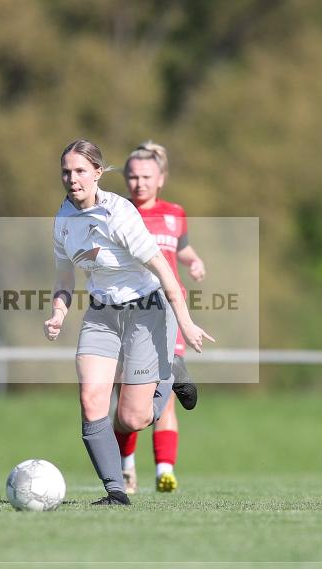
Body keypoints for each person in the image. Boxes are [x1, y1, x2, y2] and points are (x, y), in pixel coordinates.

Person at [44, 139, 214, 506]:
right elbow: (63, 279)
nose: (72, 179)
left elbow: (163, 269)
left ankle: (172, 371)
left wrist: (185, 322)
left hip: (147, 309)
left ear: (98, 174)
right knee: (91, 400)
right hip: (102, 314)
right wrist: (58, 313)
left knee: (134, 417)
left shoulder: (119, 213)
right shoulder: (63, 218)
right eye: (66, 171)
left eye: (80, 171)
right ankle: (115, 491)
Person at [115, 141, 207, 494]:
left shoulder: (175, 213)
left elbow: (180, 248)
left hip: (169, 307)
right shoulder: (117, 211)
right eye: (133, 176)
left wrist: (193, 261)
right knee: (128, 396)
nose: (139, 183)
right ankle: (126, 470)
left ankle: (164, 471)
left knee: (164, 394)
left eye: (146, 177)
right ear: (125, 178)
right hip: (129, 310)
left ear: (161, 179)